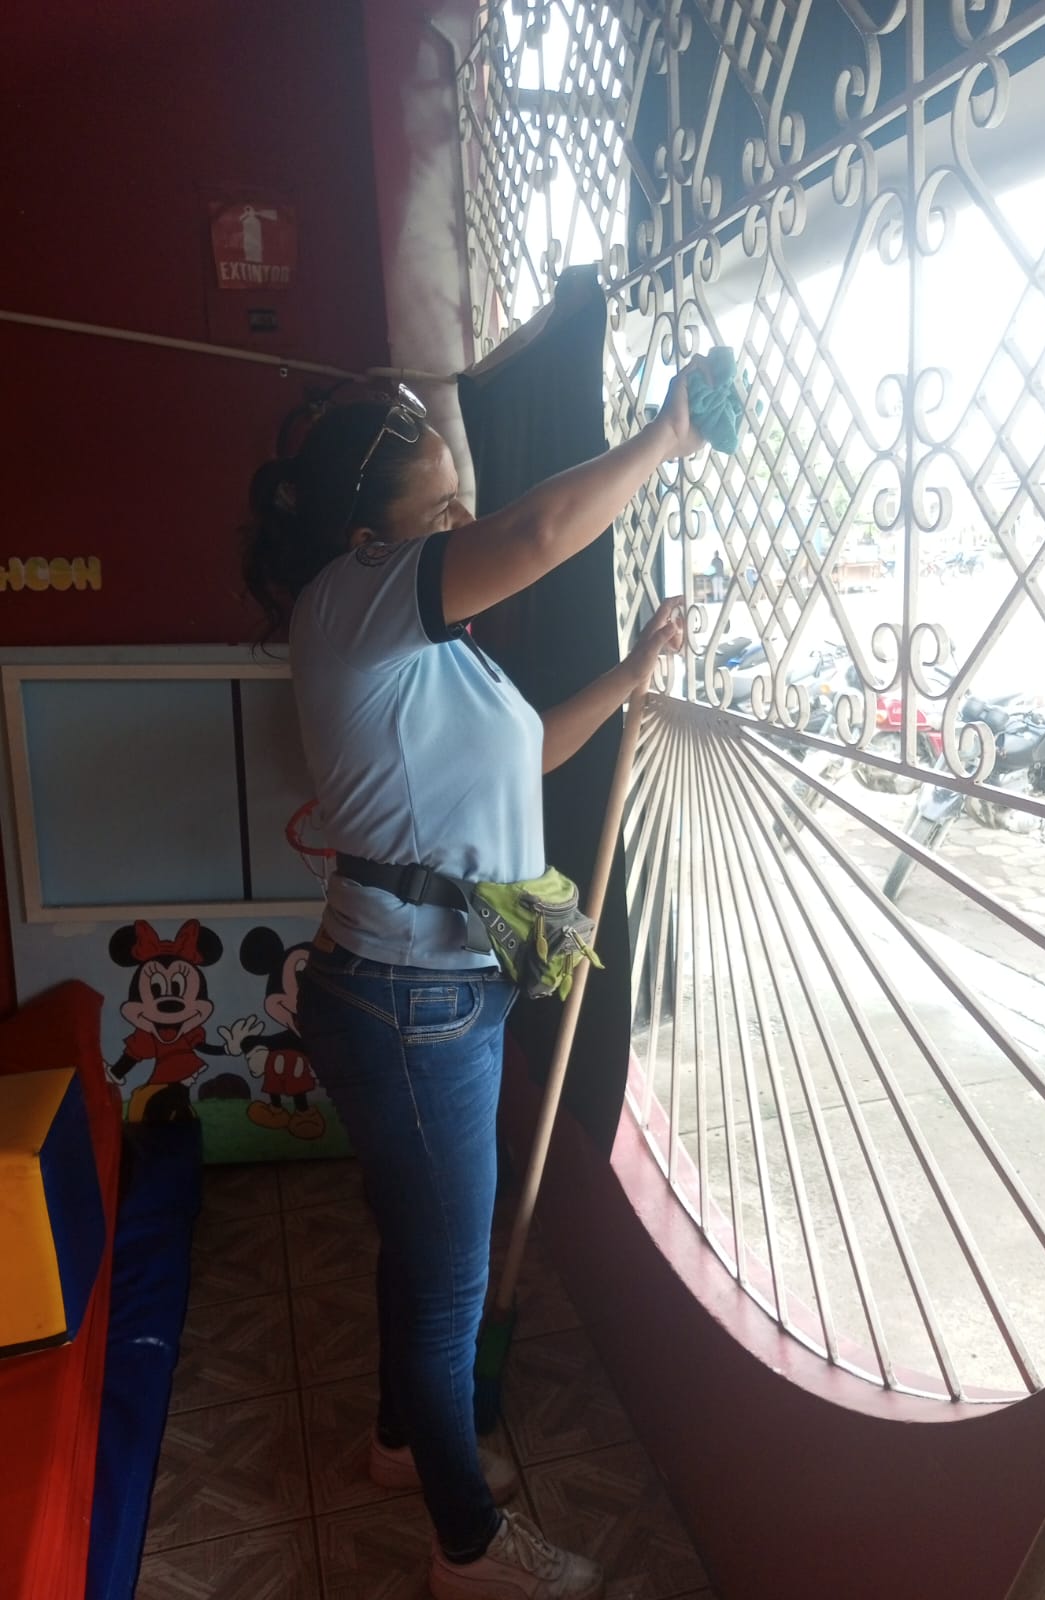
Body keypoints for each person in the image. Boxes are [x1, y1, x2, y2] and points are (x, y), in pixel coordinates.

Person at [240, 366, 708, 1599]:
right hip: (409, 1000)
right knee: (449, 1284)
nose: (464, 522)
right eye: (440, 503)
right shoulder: (355, 600)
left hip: (435, 988)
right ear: (367, 534)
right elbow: (543, 532)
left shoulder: (419, 639)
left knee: (422, 1245)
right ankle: (468, 1546)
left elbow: (526, 752)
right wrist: (663, 438)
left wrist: (631, 672)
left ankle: (401, 1441)